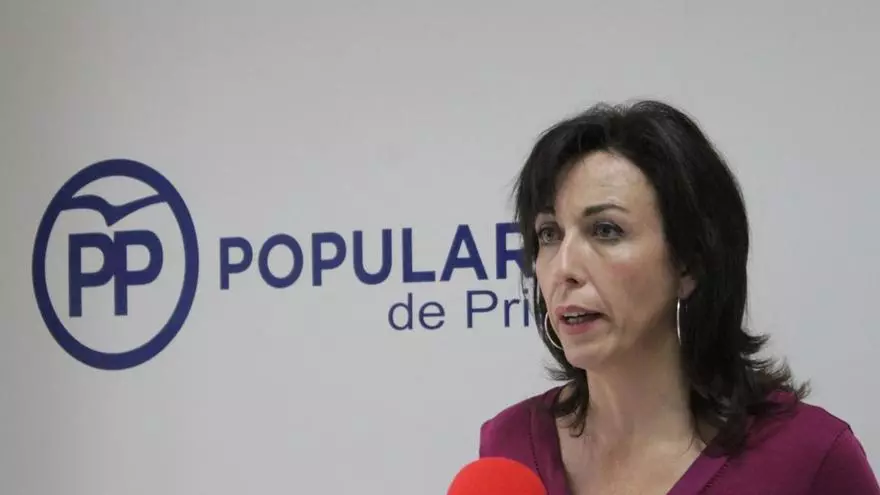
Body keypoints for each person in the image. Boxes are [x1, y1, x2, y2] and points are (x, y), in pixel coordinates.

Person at [479, 100, 880, 494]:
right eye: (549, 234)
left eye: (605, 230)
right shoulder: (509, 447)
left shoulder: (808, 457)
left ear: (689, 265)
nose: (564, 267)